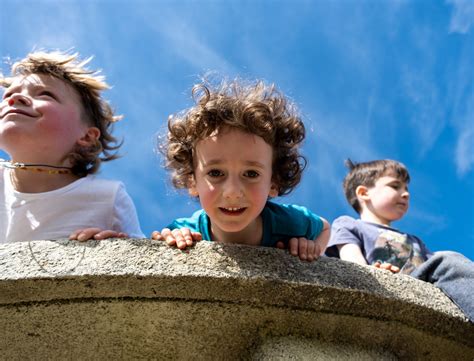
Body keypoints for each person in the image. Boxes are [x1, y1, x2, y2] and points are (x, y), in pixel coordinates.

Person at [151, 79, 330, 262]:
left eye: (251, 173)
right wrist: (172, 239)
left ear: (273, 182)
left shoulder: (290, 223)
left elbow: (324, 228)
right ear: (192, 181)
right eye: (215, 173)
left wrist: (311, 250)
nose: (233, 192)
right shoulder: (186, 231)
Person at [0, 50, 144, 243]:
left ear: (87, 136)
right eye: (8, 94)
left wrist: (116, 245)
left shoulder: (108, 197)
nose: (14, 99)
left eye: (45, 94)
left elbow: (138, 261)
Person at [326, 159, 474, 321]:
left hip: (420, 283)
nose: (406, 193)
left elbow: (437, 269)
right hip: (387, 283)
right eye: (395, 186)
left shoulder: (413, 240)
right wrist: (373, 272)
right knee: (448, 259)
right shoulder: (349, 224)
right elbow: (352, 261)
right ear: (363, 193)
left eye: (406, 188)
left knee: (448, 261)